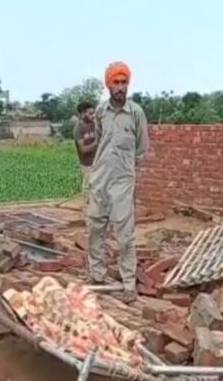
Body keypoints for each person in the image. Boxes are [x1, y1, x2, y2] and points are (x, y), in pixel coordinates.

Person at [87, 61, 149, 303]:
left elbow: (142, 149)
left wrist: (132, 176)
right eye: (116, 82)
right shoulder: (101, 112)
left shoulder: (136, 113)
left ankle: (128, 283)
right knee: (95, 228)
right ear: (108, 85)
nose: (120, 87)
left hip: (123, 183)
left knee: (124, 236)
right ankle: (97, 274)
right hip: (100, 178)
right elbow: (100, 142)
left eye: (124, 83)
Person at [73, 101, 97, 212]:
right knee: (88, 186)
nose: (93, 115)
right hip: (87, 163)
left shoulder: (95, 125)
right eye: (90, 113)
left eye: (94, 113)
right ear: (82, 114)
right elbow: (83, 150)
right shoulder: (78, 129)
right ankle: (86, 209)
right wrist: (98, 143)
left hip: (99, 161)